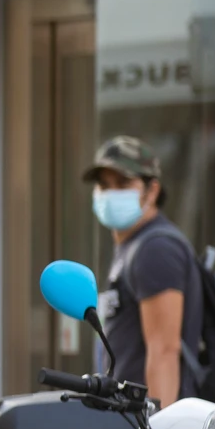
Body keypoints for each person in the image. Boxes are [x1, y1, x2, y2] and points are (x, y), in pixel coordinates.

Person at [86, 135, 202, 405]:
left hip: (144, 421)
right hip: (124, 418)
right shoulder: (132, 247)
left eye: (123, 183)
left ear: (152, 191)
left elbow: (164, 351)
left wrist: (157, 424)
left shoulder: (156, 249)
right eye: (104, 185)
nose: (110, 193)